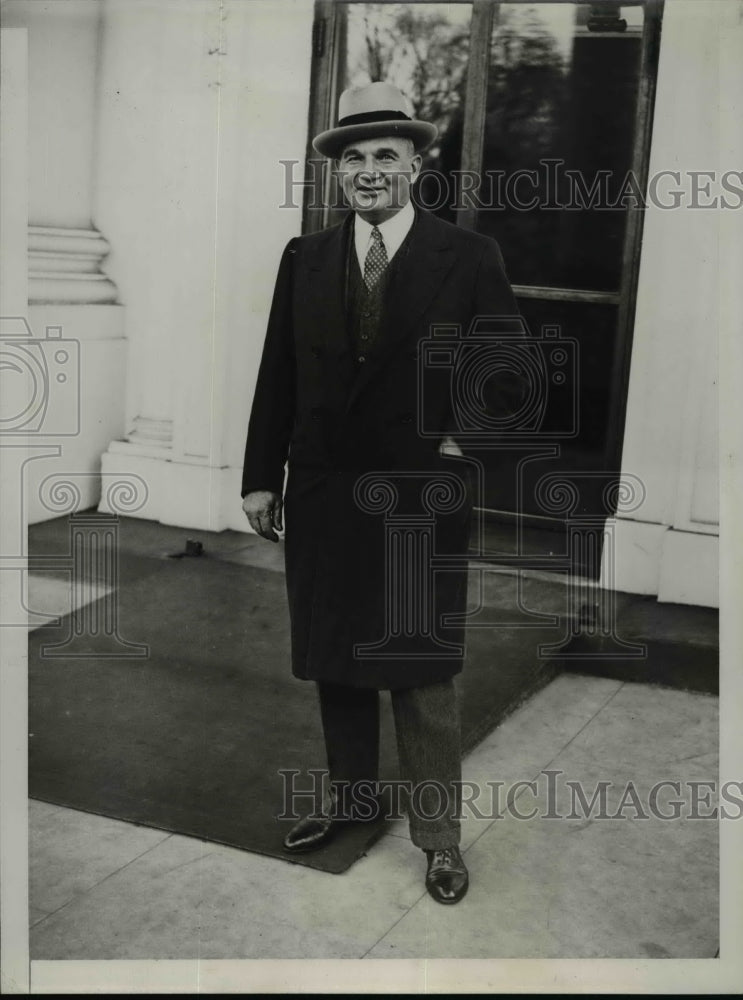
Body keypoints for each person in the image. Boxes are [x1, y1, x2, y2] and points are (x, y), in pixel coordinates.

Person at [242, 81, 519, 905]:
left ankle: (438, 840)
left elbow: (505, 371)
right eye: (353, 158)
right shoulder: (306, 258)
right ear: (336, 173)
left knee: (422, 672)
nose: (368, 171)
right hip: (325, 492)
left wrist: (460, 436)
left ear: (414, 166)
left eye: (385, 156)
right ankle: (352, 805)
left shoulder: (467, 257)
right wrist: (262, 475)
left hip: (416, 498)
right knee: (338, 659)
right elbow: (277, 374)